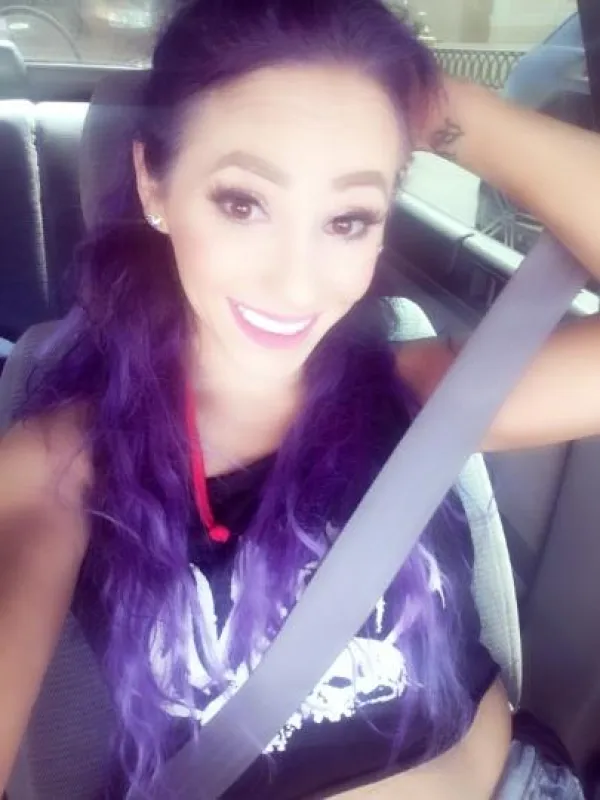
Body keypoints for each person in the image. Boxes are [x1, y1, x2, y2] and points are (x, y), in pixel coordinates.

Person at [0, 0, 598, 796]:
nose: (296, 283)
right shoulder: (60, 465)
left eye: (348, 219)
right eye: (242, 203)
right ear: (154, 183)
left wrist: (442, 107)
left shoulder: (419, 394)